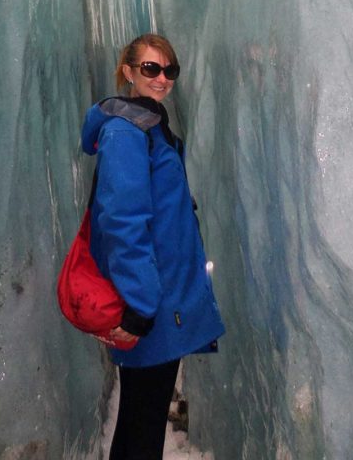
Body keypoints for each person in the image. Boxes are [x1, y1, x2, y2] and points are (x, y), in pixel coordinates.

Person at [81, 33, 225, 460]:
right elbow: (123, 222)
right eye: (150, 68)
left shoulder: (151, 128)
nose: (161, 78)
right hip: (151, 304)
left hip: (161, 298)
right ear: (128, 72)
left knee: (139, 419)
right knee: (143, 428)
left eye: (169, 70)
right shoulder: (126, 133)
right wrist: (141, 307)